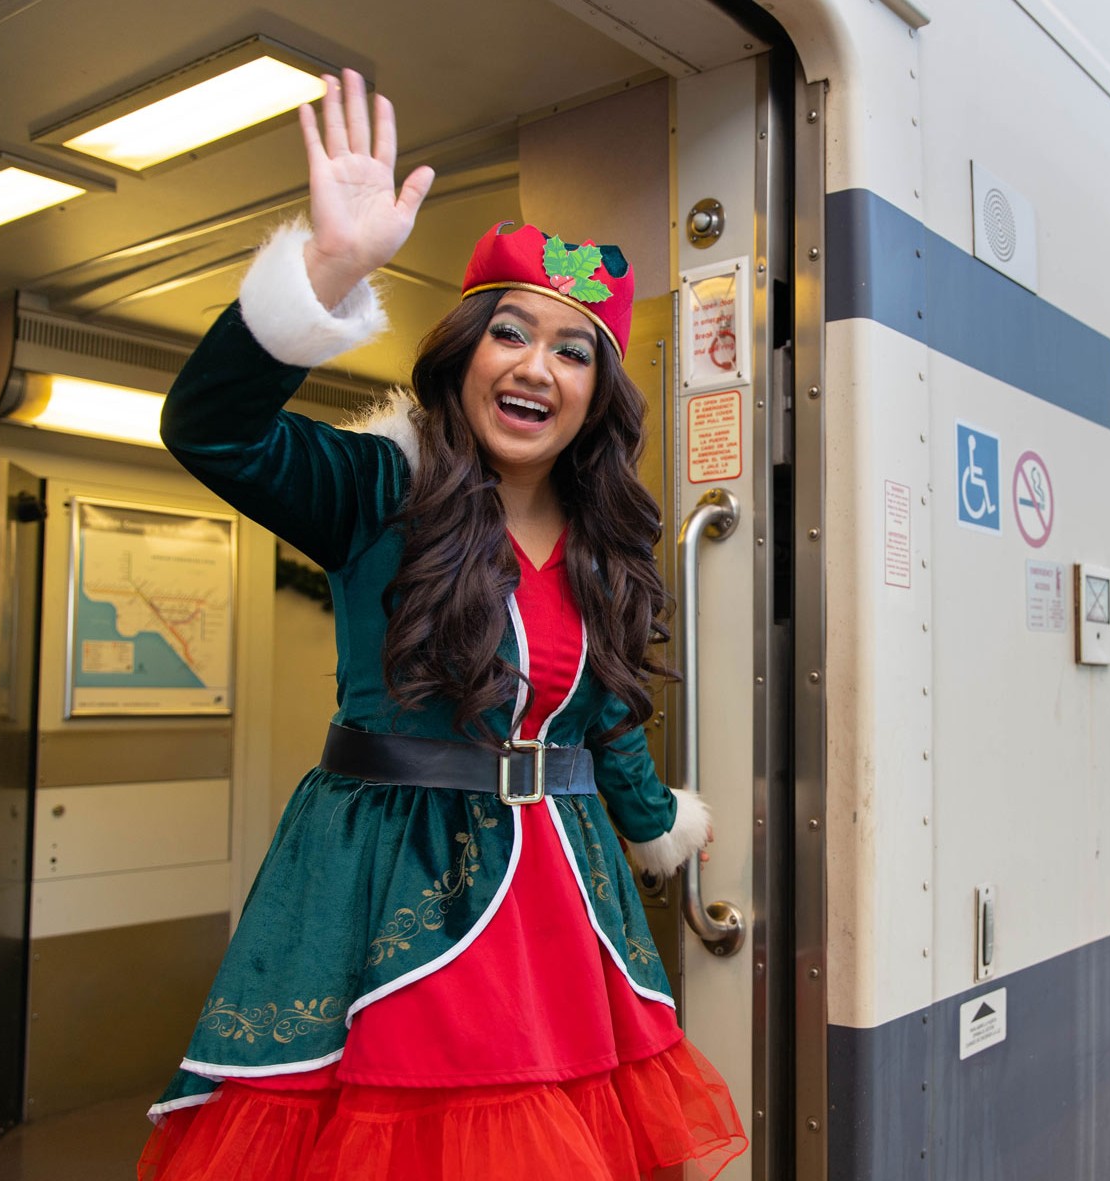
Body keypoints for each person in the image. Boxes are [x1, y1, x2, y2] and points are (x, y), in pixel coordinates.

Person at [136, 72, 745, 1180]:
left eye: (572, 351)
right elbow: (210, 429)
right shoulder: (378, 488)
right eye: (510, 332)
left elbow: (603, 723)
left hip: (563, 901)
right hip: (388, 882)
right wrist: (326, 270)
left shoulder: (609, 545)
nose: (535, 365)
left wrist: (660, 826)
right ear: (464, 352)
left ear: (597, 398)